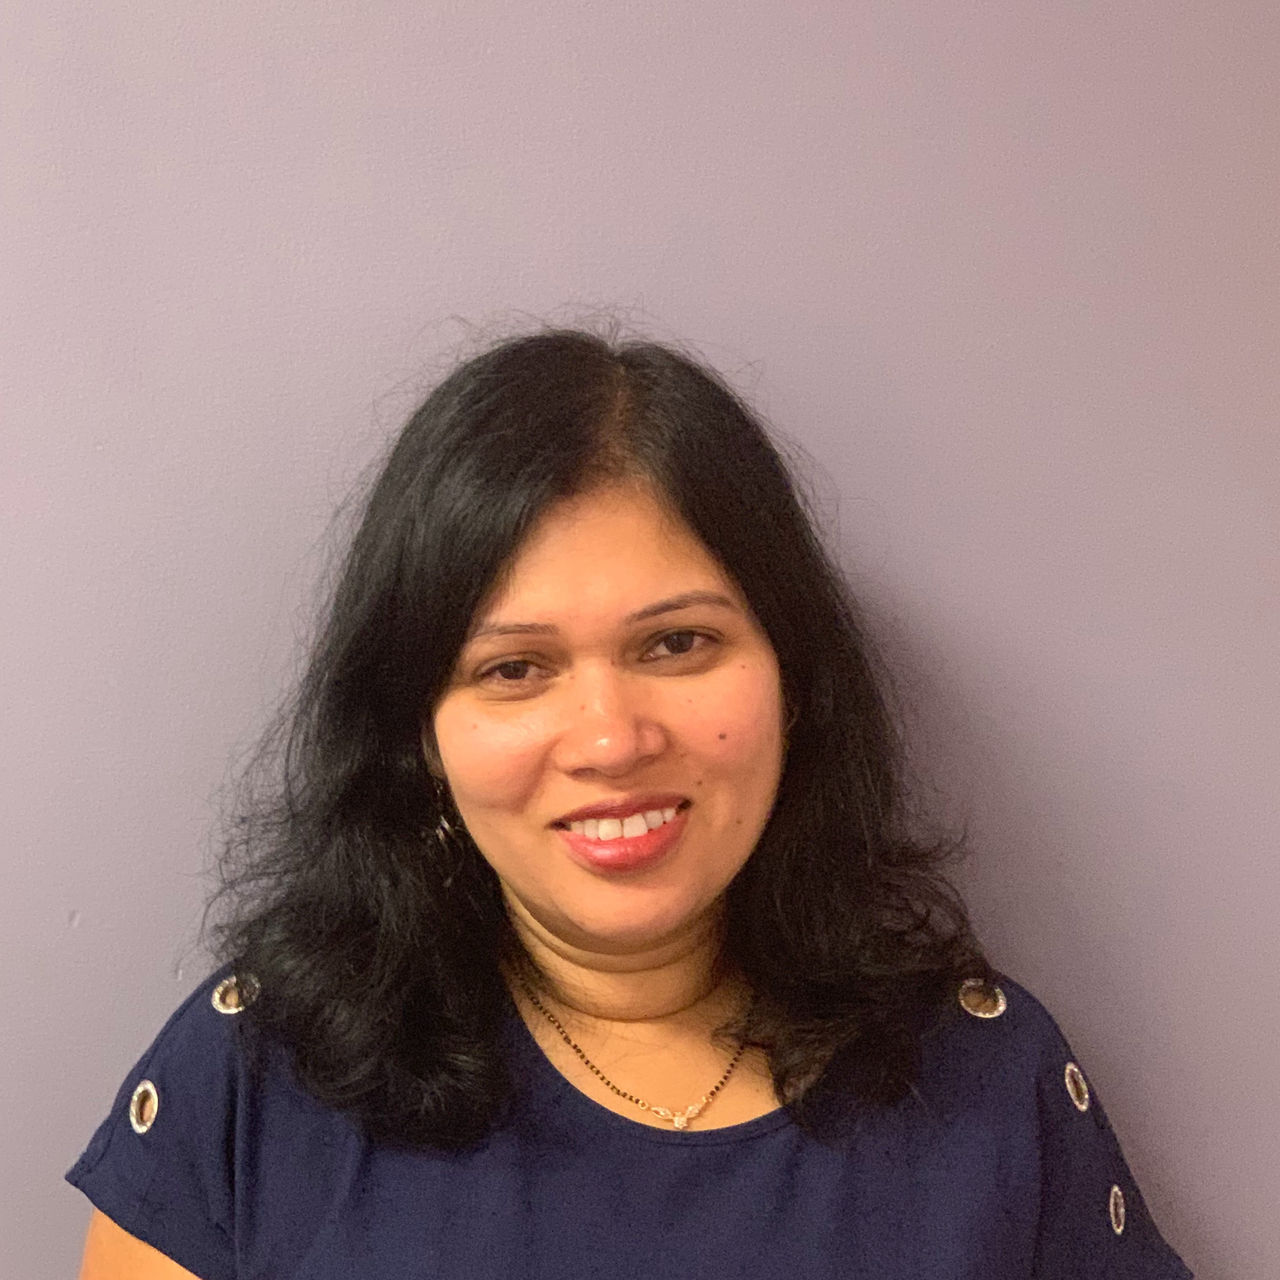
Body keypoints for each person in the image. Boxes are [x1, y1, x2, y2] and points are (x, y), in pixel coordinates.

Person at [69, 329, 1192, 1279]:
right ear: (420, 734)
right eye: (514, 668)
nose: (611, 740)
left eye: (677, 644)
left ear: (793, 678)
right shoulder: (257, 1083)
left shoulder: (986, 1084)